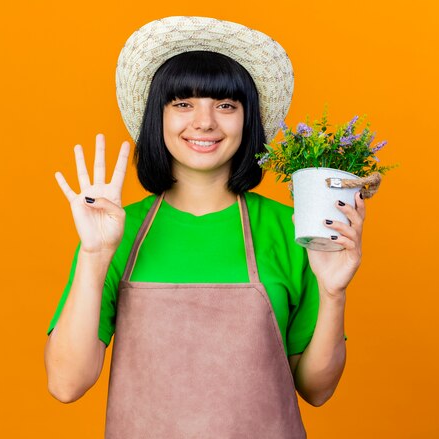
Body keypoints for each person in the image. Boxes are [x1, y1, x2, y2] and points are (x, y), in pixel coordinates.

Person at [44, 16, 364, 438]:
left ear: (248, 120)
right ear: (156, 117)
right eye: (183, 104)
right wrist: (95, 256)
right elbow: (66, 384)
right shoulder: (115, 231)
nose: (205, 122)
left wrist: (332, 292)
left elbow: (317, 389)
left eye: (226, 105)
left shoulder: (287, 229)